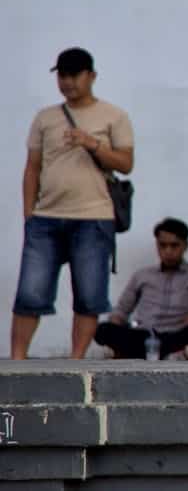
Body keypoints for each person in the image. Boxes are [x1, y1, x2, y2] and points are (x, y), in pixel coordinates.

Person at [11, 47, 135, 359]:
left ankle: (76, 362)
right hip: (46, 216)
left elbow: (126, 163)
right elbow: (32, 168)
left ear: (91, 76)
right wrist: (29, 214)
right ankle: (17, 361)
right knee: (30, 292)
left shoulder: (113, 116)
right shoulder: (46, 118)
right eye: (62, 76)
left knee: (89, 295)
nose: (67, 82)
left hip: (94, 217)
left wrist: (91, 143)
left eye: (74, 75)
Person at [94, 218, 188, 359]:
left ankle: (164, 354)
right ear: (157, 245)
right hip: (144, 335)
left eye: (174, 246)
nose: (168, 251)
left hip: (177, 334)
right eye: (163, 245)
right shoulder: (142, 275)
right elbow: (122, 310)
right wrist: (116, 322)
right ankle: (157, 354)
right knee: (104, 329)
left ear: (185, 246)